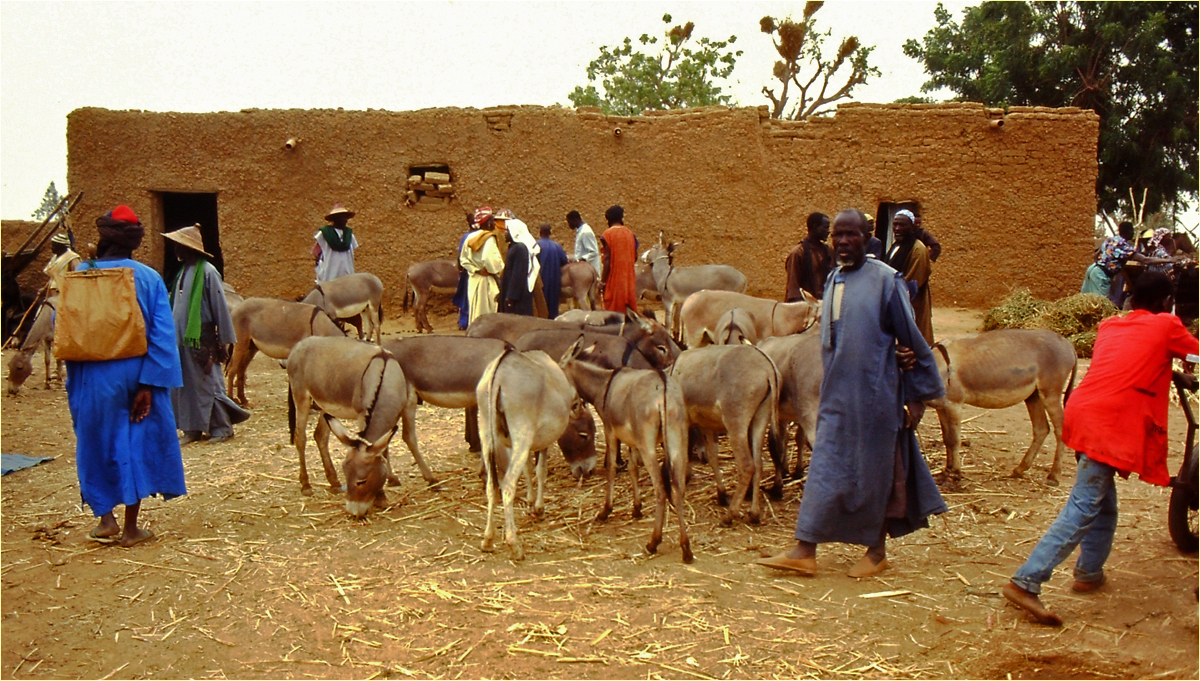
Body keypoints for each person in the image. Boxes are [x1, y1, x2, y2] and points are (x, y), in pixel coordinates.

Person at [757, 209, 946, 578]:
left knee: (875, 475)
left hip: (875, 397)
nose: (843, 241)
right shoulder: (833, 280)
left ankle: (876, 552)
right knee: (825, 468)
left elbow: (910, 338)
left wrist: (916, 397)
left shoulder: (886, 281)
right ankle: (804, 549)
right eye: (838, 236)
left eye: (851, 235)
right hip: (836, 395)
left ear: (867, 237)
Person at [1003, 271, 1198, 626]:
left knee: (1101, 503)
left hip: (1083, 412)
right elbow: (1196, 353)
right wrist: (1184, 365)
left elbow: (1130, 361)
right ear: (1164, 302)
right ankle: (1026, 581)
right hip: (1110, 423)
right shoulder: (1168, 326)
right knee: (1083, 505)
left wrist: (1172, 374)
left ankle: (1089, 572)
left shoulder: (1110, 325)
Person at [66, 205, 187, 547]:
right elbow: (163, 336)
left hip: (92, 374)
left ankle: (106, 521)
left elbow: (71, 330)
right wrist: (149, 384)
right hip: (137, 374)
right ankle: (132, 529)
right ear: (135, 242)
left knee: (95, 440)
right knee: (135, 443)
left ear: (104, 236)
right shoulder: (147, 278)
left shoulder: (80, 275)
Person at [165, 225, 249, 445]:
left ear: (187, 247)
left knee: (207, 384)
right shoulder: (183, 273)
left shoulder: (208, 272)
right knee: (184, 385)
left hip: (200, 340)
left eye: (178, 245)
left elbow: (219, 306)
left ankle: (222, 427)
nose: (175, 249)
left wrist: (222, 340)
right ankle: (191, 428)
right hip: (180, 341)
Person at [886, 209, 935, 346]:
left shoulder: (918, 249)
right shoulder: (896, 246)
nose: (897, 228)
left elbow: (914, 281)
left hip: (911, 303)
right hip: (897, 300)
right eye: (895, 225)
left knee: (915, 342)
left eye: (902, 225)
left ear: (912, 227)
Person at [459, 206, 504, 325]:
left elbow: (463, 260)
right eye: (491, 220)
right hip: (487, 281)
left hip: (474, 280)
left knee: (475, 312)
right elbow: (490, 260)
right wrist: (498, 269)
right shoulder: (488, 238)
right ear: (487, 223)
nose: (493, 223)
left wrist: (475, 270)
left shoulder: (469, 237)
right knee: (487, 313)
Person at [599, 205, 639, 313]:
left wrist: (602, 282)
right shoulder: (630, 234)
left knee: (613, 309)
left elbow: (607, 259)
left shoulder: (608, 234)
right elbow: (635, 257)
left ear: (609, 220)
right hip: (629, 280)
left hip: (615, 281)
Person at [784, 212, 832, 301]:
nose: (828, 231)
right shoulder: (798, 253)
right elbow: (793, 288)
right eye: (825, 227)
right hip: (805, 308)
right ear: (814, 227)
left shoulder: (828, 251)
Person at [499, 216, 540, 316]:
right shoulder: (514, 247)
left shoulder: (520, 248)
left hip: (518, 297)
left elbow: (518, 274)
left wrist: (511, 297)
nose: (505, 233)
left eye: (507, 231)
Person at [312, 203, 358, 283]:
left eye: (345, 217)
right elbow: (316, 253)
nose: (345, 220)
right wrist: (320, 269)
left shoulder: (349, 235)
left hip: (347, 275)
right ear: (335, 219)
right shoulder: (324, 234)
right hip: (329, 276)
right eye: (341, 217)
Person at [536, 222, 569, 319]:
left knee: (541, 305)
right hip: (555, 280)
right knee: (554, 306)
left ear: (540, 232)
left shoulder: (535, 245)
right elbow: (564, 261)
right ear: (550, 233)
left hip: (540, 281)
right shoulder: (557, 246)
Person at [451, 213, 474, 330]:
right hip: (474, 272)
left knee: (466, 296)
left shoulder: (465, 237)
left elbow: (460, 255)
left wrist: (460, 269)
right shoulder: (477, 237)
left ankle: (464, 323)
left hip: (466, 271)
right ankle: (467, 322)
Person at [568, 210, 602, 276]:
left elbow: (593, 252)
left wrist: (580, 260)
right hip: (585, 272)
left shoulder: (585, 232)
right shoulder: (580, 232)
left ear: (575, 220)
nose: (569, 225)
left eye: (569, 222)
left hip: (590, 273)